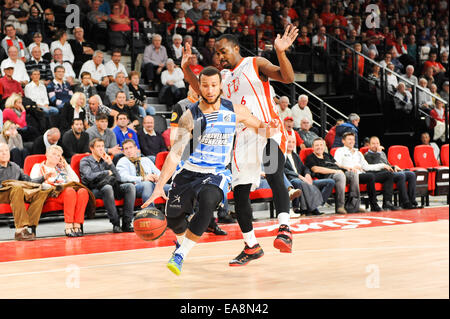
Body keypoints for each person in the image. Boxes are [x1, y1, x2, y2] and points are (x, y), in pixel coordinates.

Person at [141, 66, 279, 275]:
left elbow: (260, 126)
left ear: (220, 86)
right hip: (189, 172)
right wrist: (159, 186)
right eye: (205, 85)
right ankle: (181, 242)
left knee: (207, 204)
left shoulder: (234, 111)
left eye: (214, 85)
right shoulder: (190, 116)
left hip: (217, 172)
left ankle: (180, 255)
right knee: (174, 220)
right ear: (200, 87)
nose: (210, 89)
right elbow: (176, 154)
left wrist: (273, 127)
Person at [181, 26, 299, 263]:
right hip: (242, 138)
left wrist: (281, 53)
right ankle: (251, 246)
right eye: (216, 53)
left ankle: (285, 229)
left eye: (223, 51)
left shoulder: (256, 63)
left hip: (267, 129)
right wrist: (185, 68)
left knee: (274, 170)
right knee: (241, 193)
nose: (219, 56)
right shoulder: (222, 78)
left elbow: (287, 78)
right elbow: (204, 93)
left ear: (236, 48)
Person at [29, 145, 89, 237]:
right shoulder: (38, 166)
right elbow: (33, 182)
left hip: (65, 192)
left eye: (58, 155)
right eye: (53, 154)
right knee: (69, 191)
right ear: (47, 154)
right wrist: (53, 185)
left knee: (82, 191)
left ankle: (77, 224)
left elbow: (76, 181)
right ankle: (68, 226)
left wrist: (66, 166)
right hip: (49, 193)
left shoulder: (61, 168)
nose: (56, 157)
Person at [80, 138, 136, 233]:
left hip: (112, 186)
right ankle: (116, 223)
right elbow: (89, 176)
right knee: (107, 188)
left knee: (130, 187)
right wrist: (106, 172)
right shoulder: (85, 161)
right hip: (94, 189)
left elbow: (118, 178)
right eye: (98, 146)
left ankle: (127, 223)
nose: (101, 149)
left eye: (102, 146)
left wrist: (110, 164)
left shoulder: (106, 160)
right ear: (92, 148)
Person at [334, 132, 400, 212]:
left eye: (353, 139)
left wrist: (383, 165)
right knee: (370, 176)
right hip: (349, 174)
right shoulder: (340, 151)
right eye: (349, 139)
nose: (352, 141)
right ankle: (374, 205)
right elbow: (336, 163)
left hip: (362, 174)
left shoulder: (358, 153)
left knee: (388, 174)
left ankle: (387, 203)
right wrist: (350, 168)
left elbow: (367, 167)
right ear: (343, 141)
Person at [0, 143, 51, 240]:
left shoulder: (15, 166)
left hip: (16, 192)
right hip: (2, 193)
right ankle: (20, 230)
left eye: (6, 150)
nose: (4, 153)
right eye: (1, 151)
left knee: (41, 193)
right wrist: (8, 185)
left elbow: (28, 181)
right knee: (17, 188)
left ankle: (28, 226)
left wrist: (43, 178)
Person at [306, 137, 364, 214]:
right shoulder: (310, 157)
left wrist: (347, 168)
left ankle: (354, 206)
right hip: (328, 176)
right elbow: (316, 169)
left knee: (353, 174)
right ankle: (340, 206)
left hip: (338, 171)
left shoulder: (327, 155)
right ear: (313, 147)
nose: (319, 147)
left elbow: (337, 164)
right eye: (317, 145)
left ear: (324, 146)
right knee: (340, 176)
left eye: (321, 145)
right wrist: (335, 171)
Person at [365, 136, 422, 210]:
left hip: (389, 172)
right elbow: (374, 166)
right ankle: (405, 202)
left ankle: (412, 201)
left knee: (411, 174)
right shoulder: (367, 155)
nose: (376, 145)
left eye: (377, 143)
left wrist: (394, 167)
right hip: (380, 174)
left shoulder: (382, 153)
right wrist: (378, 153)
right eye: (373, 143)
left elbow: (387, 164)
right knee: (401, 175)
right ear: (369, 145)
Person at [284, 135, 332, 216]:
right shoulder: (281, 155)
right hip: (291, 180)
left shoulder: (295, 155)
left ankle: (315, 204)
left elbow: (304, 167)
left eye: (293, 142)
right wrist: (300, 176)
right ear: (284, 143)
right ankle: (298, 208)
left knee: (330, 182)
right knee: (299, 182)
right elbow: (284, 170)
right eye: (289, 142)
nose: (291, 144)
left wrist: (307, 174)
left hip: (304, 180)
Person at [117, 138, 170, 205]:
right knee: (147, 184)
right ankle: (149, 211)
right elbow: (122, 177)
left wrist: (157, 177)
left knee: (172, 188)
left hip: (153, 184)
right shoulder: (123, 161)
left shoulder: (146, 160)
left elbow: (158, 172)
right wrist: (143, 178)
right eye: (126, 149)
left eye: (131, 147)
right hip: (135, 187)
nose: (129, 150)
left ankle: (178, 213)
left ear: (136, 148)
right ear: (123, 152)